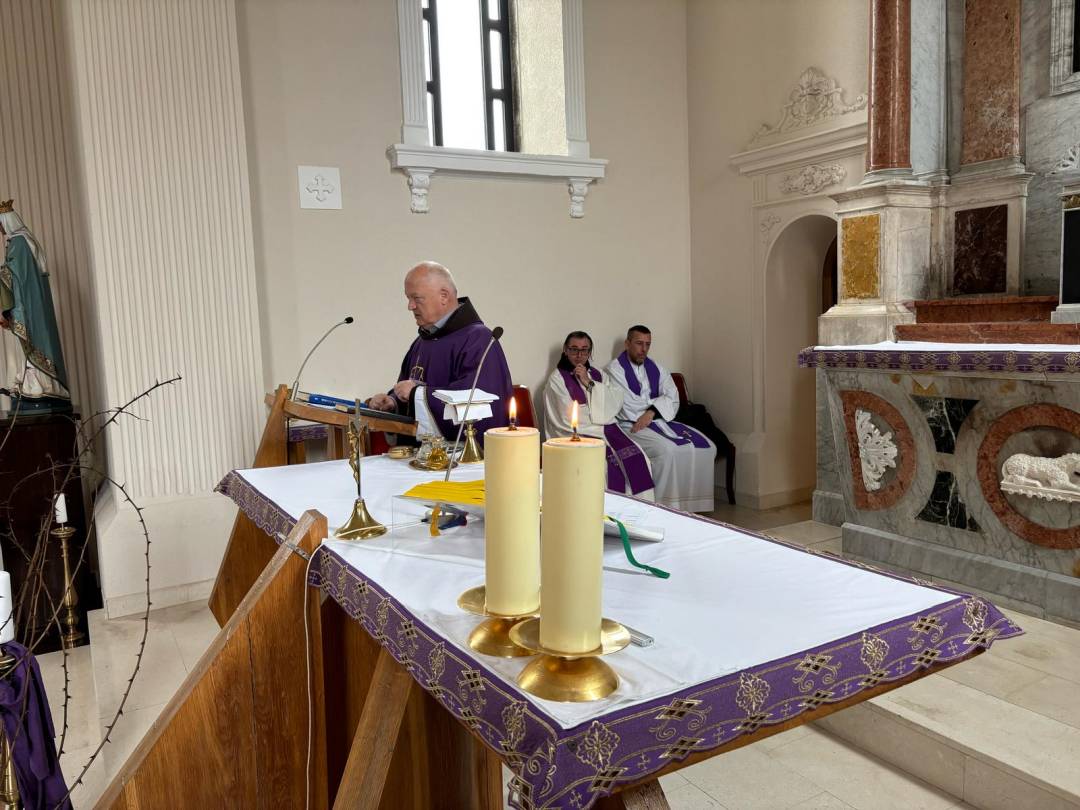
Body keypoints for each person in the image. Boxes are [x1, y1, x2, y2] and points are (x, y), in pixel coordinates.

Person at [368, 262, 512, 442]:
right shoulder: (422, 342)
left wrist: (416, 394)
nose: (410, 306)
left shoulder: (478, 340)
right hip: (423, 456)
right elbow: (407, 391)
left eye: (416, 298)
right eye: (408, 298)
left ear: (444, 296)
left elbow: (479, 405)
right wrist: (393, 403)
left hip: (460, 455)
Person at [606, 325, 714, 512]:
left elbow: (672, 395)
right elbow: (629, 405)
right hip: (631, 426)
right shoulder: (614, 370)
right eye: (639, 343)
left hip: (657, 420)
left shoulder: (656, 367)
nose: (644, 349)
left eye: (648, 344)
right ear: (627, 344)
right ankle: (664, 507)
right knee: (668, 451)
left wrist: (651, 411)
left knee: (707, 447)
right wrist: (656, 405)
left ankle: (692, 507)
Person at [543, 330, 655, 500]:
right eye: (574, 349)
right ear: (565, 350)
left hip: (607, 430)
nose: (579, 355)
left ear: (590, 352)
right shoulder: (557, 380)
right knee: (603, 467)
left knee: (640, 457)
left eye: (584, 350)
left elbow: (615, 400)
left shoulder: (598, 375)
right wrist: (600, 417)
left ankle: (637, 513)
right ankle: (605, 514)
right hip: (577, 434)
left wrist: (589, 383)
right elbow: (564, 418)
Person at [0, 200, 69, 407]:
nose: (1, 229)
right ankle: (30, 385)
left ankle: (38, 387)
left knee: (30, 340)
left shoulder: (19, 243)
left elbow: (13, 275)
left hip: (26, 304)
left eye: (1, 224)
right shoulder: (22, 241)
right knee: (28, 341)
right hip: (29, 301)